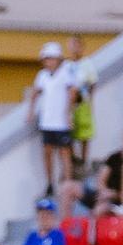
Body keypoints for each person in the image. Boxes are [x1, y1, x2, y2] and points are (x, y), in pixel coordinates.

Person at [27, 41, 77, 197]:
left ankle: (67, 183)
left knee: (64, 152)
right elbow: (36, 92)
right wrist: (31, 111)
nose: (49, 62)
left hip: (61, 121)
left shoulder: (65, 73)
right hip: (47, 120)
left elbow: (73, 92)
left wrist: (68, 113)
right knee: (47, 152)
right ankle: (50, 182)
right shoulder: (42, 75)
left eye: (51, 58)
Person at [64, 35, 97, 170]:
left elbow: (92, 83)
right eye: (72, 45)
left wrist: (90, 101)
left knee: (84, 132)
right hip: (70, 104)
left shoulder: (87, 64)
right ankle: (73, 158)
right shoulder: (66, 65)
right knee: (69, 132)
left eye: (77, 45)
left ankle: (83, 160)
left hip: (82, 102)